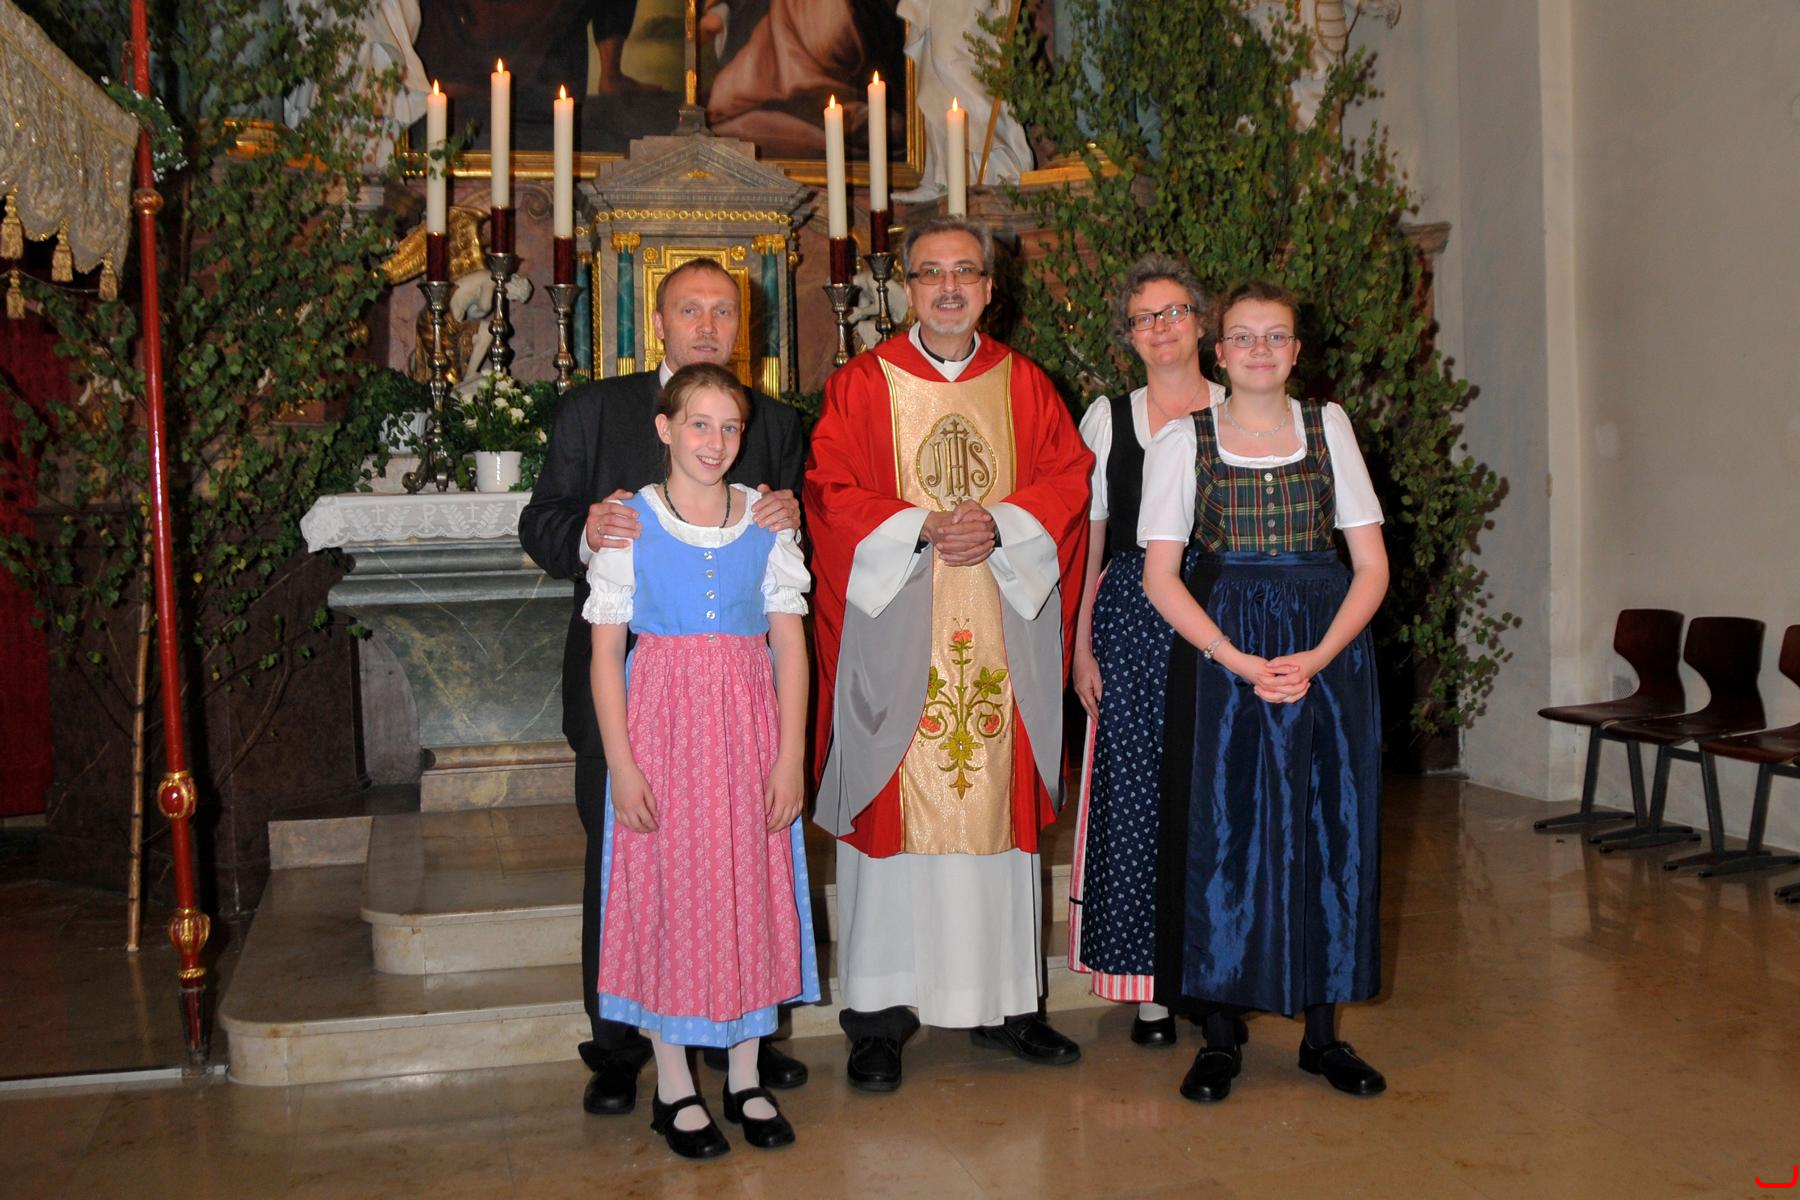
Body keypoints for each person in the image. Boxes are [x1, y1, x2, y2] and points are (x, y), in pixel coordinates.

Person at [805, 216, 1093, 1092]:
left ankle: (1007, 1006)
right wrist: (919, 527)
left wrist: (1000, 523)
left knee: (994, 809)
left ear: (990, 289)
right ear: (906, 286)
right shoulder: (861, 385)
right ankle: (879, 1016)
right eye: (931, 273)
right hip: (901, 635)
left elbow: (1069, 480)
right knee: (892, 815)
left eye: (965, 272)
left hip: (999, 630)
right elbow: (828, 490)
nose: (949, 288)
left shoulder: (1027, 385)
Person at [519, 257, 809, 1119]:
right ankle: (619, 1049)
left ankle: (736, 1040)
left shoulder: (773, 422)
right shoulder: (594, 410)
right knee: (631, 870)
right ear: (658, 322)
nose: (708, 325)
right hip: (638, 696)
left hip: (739, 699)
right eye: (690, 310)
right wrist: (590, 530)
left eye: (724, 311)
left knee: (738, 868)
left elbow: (789, 539)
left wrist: (795, 514)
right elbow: (540, 519)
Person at [1139, 279, 1389, 1103]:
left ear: (1296, 350)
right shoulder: (1184, 440)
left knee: (1328, 826)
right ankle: (1219, 1035)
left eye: (1275, 336)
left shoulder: (1328, 426)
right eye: (1243, 337)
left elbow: (1371, 565)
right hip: (1225, 654)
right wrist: (1238, 660)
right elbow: (1161, 576)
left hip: (1327, 649)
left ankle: (1323, 1036)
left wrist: (1318, 656)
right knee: (1226, 830)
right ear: (1219, 353)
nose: (1259, 350)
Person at [584, 363, 818, 1158]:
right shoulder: (631, 523)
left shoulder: (767, 520)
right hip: (664, 731)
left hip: (750, 729)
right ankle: (675, 1085)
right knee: (670, 894)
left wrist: (790, 756)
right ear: (665, 428)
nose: (714, 442)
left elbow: (791, 644)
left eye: (729, 427)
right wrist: (622, 766)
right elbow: (605, 653)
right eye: (698, 424)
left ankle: (745, 1076)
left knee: (751, 890)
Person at [1066, 256, 1223, 1043]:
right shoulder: (1109, 420)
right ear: (1128, 336)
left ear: (1201, 320)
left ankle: (1216, 973)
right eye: (1143, 318)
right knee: (1135, 799)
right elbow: (1091, 543)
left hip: (1221, 613)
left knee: (1217, 792)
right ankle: (1151, 985)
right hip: (1129, 618)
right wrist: (1080, 647)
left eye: (1174, 312)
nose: (1160, 328)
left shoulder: (1237, 409)